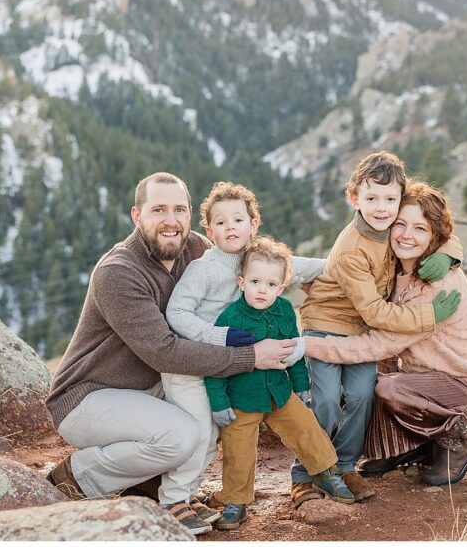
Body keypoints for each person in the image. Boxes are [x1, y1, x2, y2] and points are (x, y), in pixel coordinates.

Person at [43, 172, 298, 534]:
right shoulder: (118, 273)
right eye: (158, 209)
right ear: (137, 216)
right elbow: (165, 352)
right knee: (181, 436)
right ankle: (78, 476)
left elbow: (259, 265)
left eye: (179, 209)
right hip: (89, 396)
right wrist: (251, 357)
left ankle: (162, 491)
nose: (171, 220)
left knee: (211, 420)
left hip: (150, 389)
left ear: (191, 214)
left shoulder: (196, 249)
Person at [290, 151, 464, 506]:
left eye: (390, 199)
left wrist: (448, 252)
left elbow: (435, 226)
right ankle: (305, 473)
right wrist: (427, 316)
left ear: (400, 199)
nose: (382, 208)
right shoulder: (352, 248)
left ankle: (344, 465)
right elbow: (373, 311)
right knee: (323, 399)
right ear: (354, 199)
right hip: (328, 323)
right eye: (371, 199)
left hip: (361, 334)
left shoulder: (395, 223)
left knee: (361, 395)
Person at [302, 182, 467, 486]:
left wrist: (310, 346)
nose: (407, 235)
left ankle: (458, 443)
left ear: (435, 236)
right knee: (371, 380)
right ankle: (405, 447)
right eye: (401, 224)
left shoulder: (437, 286)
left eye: (420, 229)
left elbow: (380, 344)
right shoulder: (393, 267)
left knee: (387, 388)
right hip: (425, 379)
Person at [160, 183, 324, 530]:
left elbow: (308, 266)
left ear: (254, 224)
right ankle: (173, 502)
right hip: (191, 363)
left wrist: (340, 267)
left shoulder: (261, 262)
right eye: (220, 222)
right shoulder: (203, 270)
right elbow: (177, 313)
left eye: (238, 219)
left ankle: (190, 496)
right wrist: (221, 336)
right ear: (208, 231)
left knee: (222, 430)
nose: (230, 227)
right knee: (202, 430)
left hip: (230, 367)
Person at [205, 236, 355, 530]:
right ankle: (236, 502)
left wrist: (301, 383)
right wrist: (219, 402)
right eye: (256, 282)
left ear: (281, 287)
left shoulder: (285, 310)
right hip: (242, 397)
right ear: (241, 282)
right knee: (238, 449)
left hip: (279, 392)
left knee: (306, 428)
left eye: (271, 285)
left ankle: (327, 472)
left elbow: (293, 350)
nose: (263, 290)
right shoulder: (229, 317)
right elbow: (215, 363)